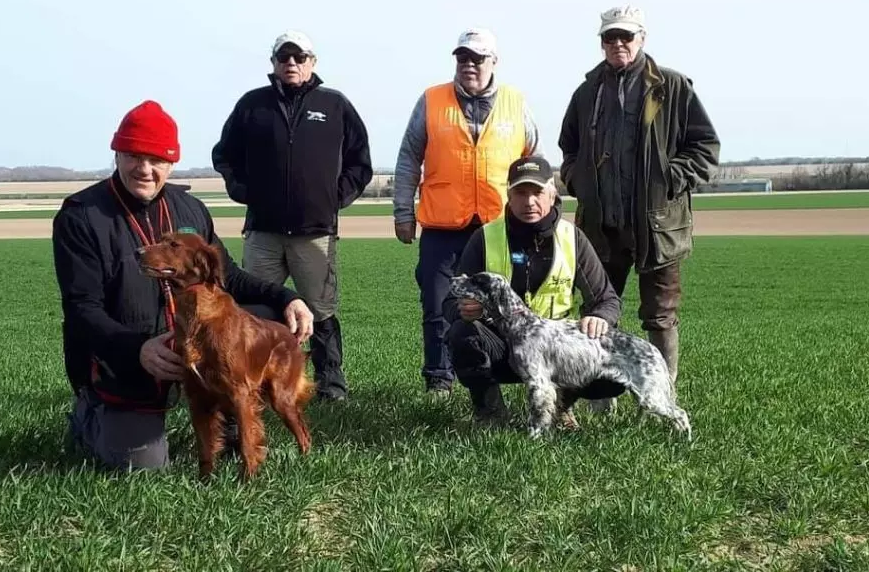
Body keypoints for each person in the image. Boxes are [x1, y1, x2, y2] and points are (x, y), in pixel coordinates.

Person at [52, 99, 316, 471]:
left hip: (191, 343)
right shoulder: (82, 216)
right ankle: (89, 417)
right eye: (132, 155)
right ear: (117, 155)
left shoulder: (189, 208)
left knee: (266, 316)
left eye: (156, 158)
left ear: (171, 162)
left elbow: (230, 277)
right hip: (128, 353)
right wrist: (136, 350)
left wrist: (289, 297)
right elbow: (82, 310)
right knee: (142, 465)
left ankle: (229, 417)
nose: (144, 169)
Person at [557, 4, 720, 410]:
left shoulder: (673, 87)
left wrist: (669, 179)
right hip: (601, 228)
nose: (617, 44)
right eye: (609, 38)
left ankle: (661, 399)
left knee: (660, 315)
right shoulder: (586, 92)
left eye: (625, 36)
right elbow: (569, 148)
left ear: (642, 38)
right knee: (597, 311)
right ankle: (600, 395)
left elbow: (705, 147)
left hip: (657, 226)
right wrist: (578, 180)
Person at [211, 30, 372, 403]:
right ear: (273, 64)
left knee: (321, 309)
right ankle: (257, 382)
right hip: (263, 230)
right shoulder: (252, 105)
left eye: (299, 58)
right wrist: (240, 190)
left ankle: (331, 383)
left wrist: (334, 198)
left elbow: (359, 161)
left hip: (314, 231)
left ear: (313, 63)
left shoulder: (334, 105)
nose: (292, 64)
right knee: (257, 309)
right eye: (284, 58)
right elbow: (224, 154)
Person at [393, 27, 541, 396]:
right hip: (443, 227)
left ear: (494, 61)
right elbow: (409, 158)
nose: (469, 65)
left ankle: (512, 375)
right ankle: (439, 381)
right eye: (463, 58)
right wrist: (402, 211)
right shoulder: (431, 100)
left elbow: (534, 160)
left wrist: (537, 210)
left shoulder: (516, 102)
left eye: (478, 58)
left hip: (498, 226)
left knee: (511, 305)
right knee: (437, 305)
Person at [443, 155, 622, 426]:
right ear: (508, 195)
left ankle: (561, 406)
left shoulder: (573, 238)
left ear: (552, 192)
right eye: (520, 193)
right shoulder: (484, 238)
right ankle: (490, 414)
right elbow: (450, 300)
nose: (529, 202)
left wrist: (601, 317)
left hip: (556, 349)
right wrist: (462, 310)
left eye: (537, 192)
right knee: (462, 335)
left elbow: (607, 299)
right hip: (505, 347)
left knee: (610, 367)